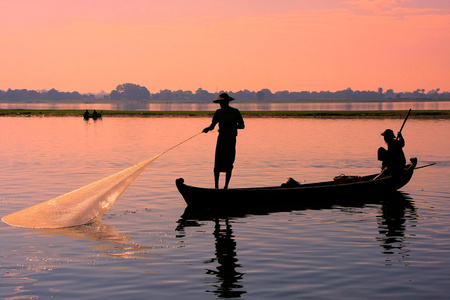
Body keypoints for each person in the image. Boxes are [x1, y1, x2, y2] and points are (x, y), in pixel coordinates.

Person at [203, 93, 245, 189]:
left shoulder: (235, 112)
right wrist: (207, 128)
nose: (222, 104)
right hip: (221, 139)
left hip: (231, 139)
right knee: (217, 163)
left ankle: (226, 187)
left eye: (223, 102)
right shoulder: (218, 112)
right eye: (220, 103)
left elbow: (242, 125)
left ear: (227, 102)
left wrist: (233, 126)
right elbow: (212, 125)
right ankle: (216, 187)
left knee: (229, 163)